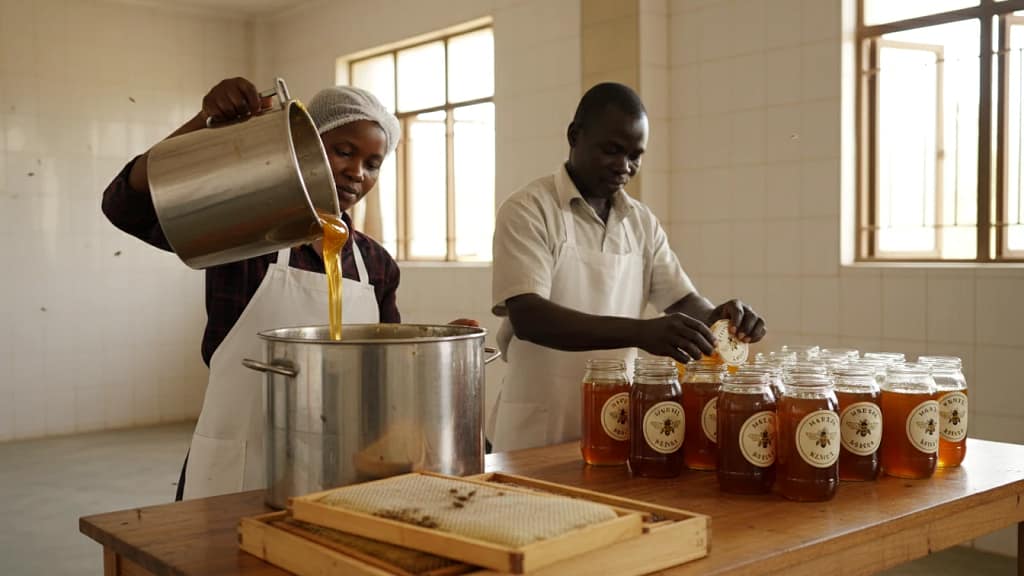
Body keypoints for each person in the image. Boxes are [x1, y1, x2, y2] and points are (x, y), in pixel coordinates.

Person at [102, 77, 405, 500]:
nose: (357, 172)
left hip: (339, 463)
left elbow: (391, 361)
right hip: (241, 459)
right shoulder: (249, 233)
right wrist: (202, 123)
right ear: (303, 147)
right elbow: (124, 206)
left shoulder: (375, 264)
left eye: (373, 163)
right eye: (343, 151)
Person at [489, 82, 767, 452]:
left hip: (614, 419)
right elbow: (529, 316)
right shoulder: (528, 209)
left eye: (636, 155)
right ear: (575, 136)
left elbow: (682, 299)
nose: (625, 167)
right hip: (539, 422)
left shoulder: (640, 221)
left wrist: (721, 320)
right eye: (612, 150)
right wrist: (641, 333)